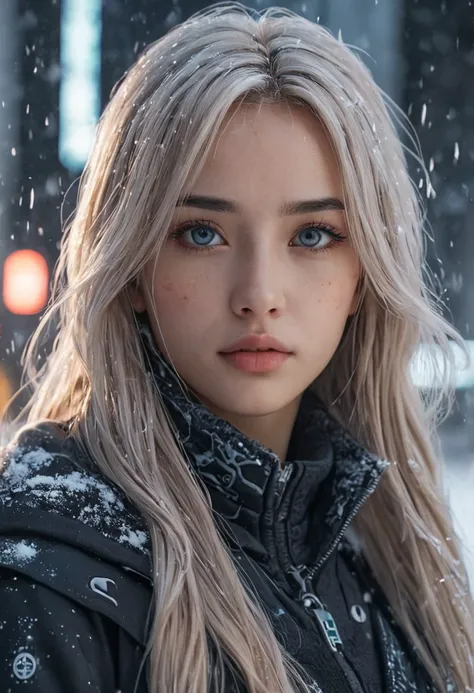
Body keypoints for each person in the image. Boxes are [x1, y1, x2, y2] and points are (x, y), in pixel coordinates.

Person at [0, 2, 472, 691]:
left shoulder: (389, 559)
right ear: (132, 266)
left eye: (311, 235)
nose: (258, 293)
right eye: (202, 233)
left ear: (364, 274)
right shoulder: (43, 582)